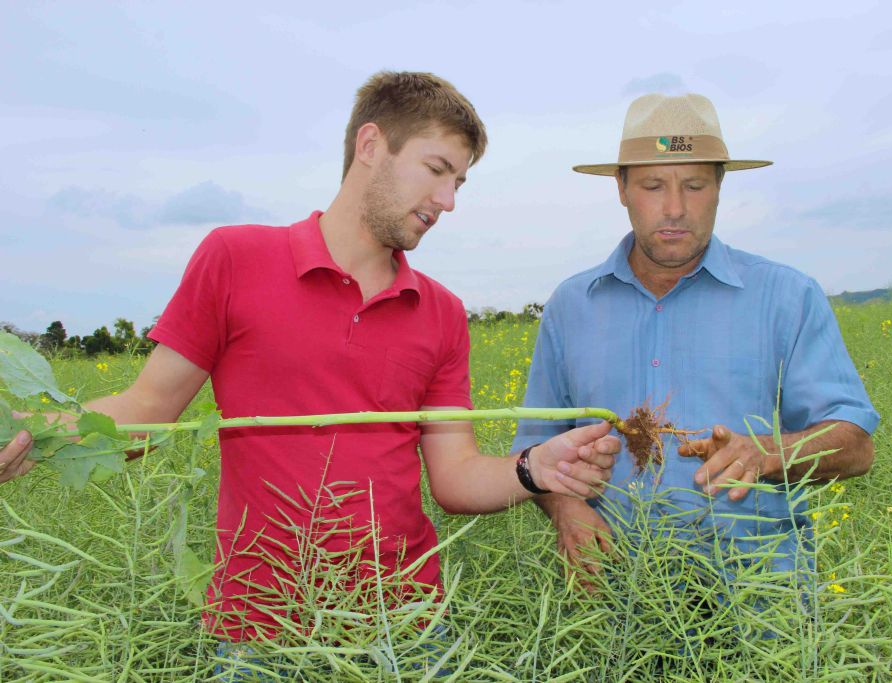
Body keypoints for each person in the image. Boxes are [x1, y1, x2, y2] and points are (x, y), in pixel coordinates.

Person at [0, 71, 619, 644]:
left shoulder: (442, 312)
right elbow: (148, 408)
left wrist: (536, 467)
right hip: (258, 629)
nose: (449, 199)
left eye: (459, 181)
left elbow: (454, 479)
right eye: (436, 169)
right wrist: (40, 432)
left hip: (404, 626)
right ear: (371, 145)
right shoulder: (234, 259)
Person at [512, 93, 879, 584]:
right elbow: (535, 450)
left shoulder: (788, 296)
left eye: (695, 184)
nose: (675, 208)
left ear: (720, 186)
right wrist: (563, 509)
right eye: (652, 185)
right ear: (621, 189)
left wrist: (767, 453)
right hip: (616, 604)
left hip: (762, 603)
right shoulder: (572, 307)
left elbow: (855, 445)